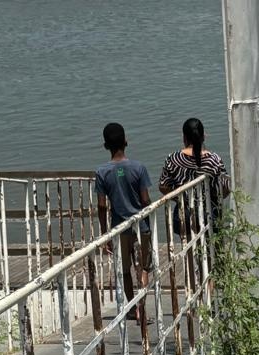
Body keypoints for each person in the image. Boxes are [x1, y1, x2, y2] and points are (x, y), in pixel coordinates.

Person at [95, 122, 151, 315]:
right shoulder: (139, 168)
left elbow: (102, 206)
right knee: (143, 267)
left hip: (119, 228)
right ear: (126, 142)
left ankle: (133, 308)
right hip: (140, 225)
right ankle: (142, 305)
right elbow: (145, 199)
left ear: (105, 146)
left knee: (125, 269)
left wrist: (105, 233)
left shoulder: (102, 172)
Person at [159, 118, 230, 232]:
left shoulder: (173, 159)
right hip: (210, 212)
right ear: (204, 136)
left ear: (184, 138)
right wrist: (215, 199)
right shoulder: (214, 160)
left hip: (185, 214)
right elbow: (226, 187)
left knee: (189, 246)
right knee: (214, 246)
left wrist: (181, 199)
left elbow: (163, 186)